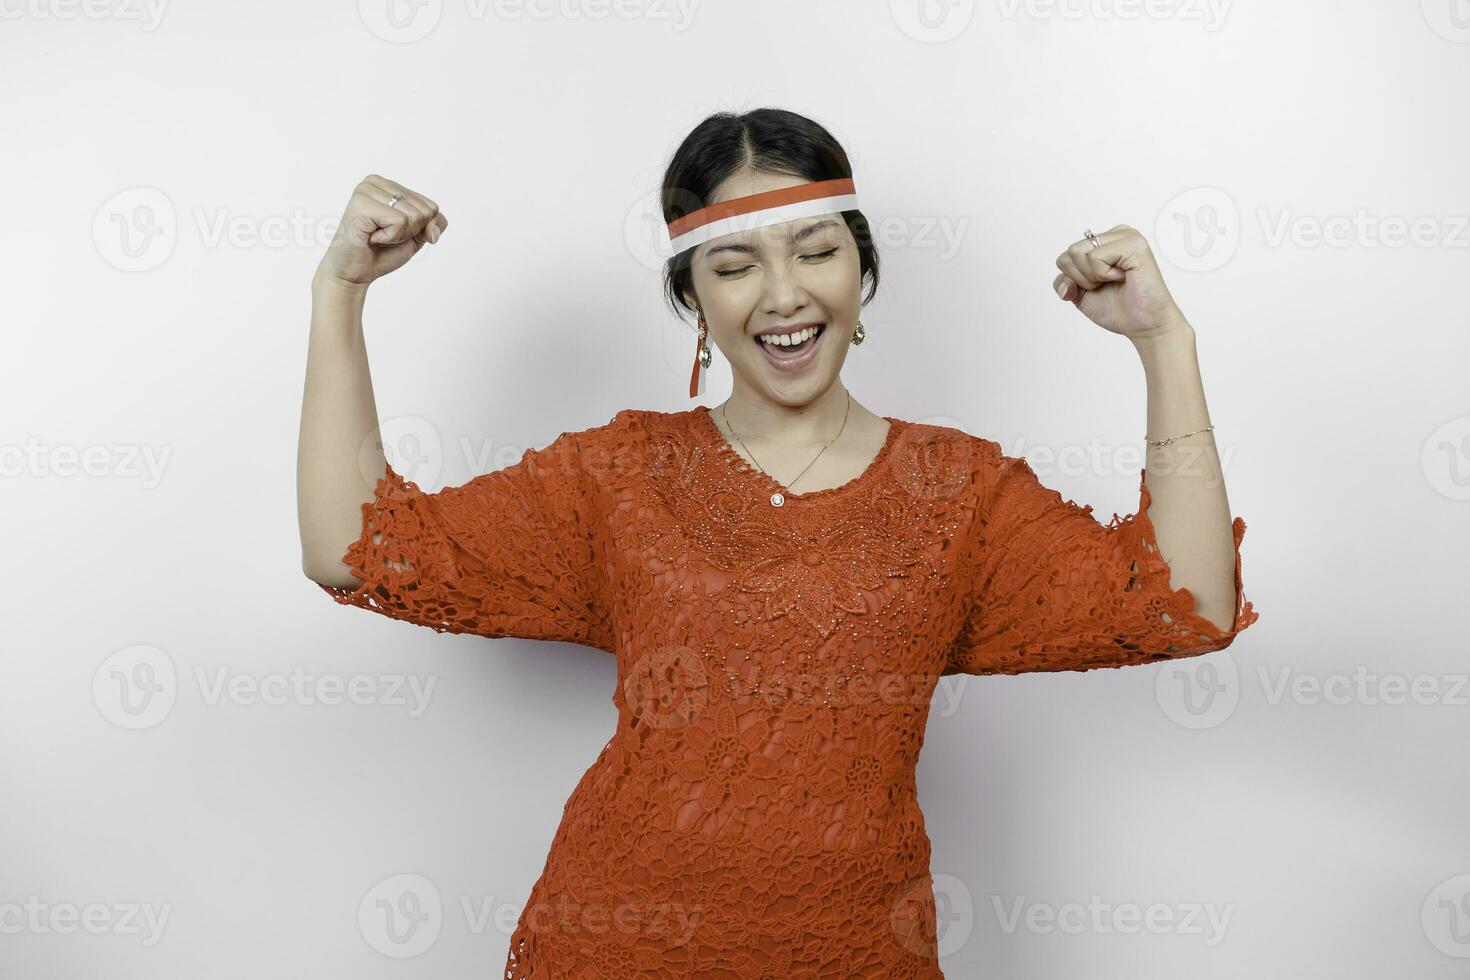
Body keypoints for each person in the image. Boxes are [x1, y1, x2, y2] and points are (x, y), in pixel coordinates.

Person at [298, 107, 1258, 978]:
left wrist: (1163, 343)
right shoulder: (622, 474)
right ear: (695, 300)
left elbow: (1186, 604)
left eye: (814, 251)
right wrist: (339, 294)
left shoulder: (958, 491)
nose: (783, 294)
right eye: (735, 265)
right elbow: (357, 547)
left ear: (862, 269)